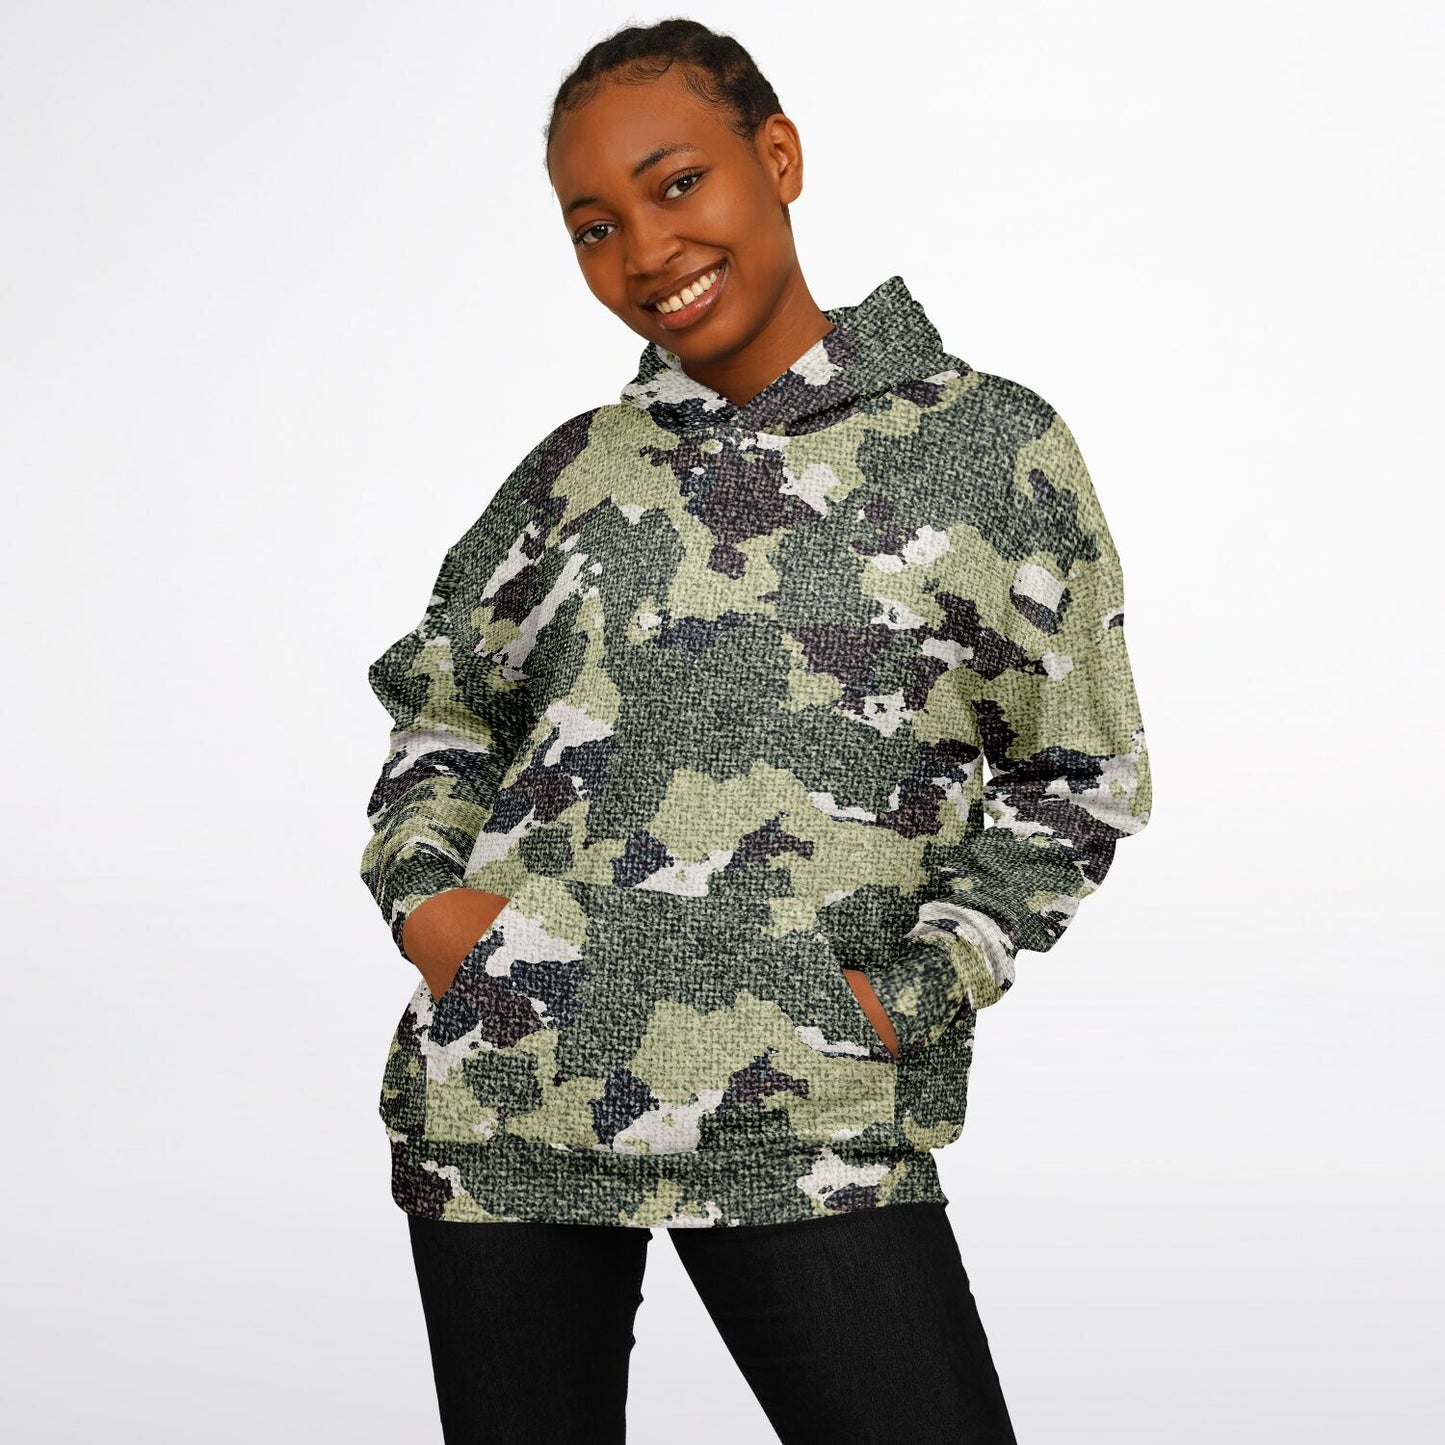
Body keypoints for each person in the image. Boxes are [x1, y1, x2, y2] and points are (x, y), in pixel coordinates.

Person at [358, 17, 1151, 1444]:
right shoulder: (573, 472)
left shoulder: (986, 447)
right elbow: (446, 706)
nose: (645, 250)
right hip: (510, 1099)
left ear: (776, 157)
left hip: (809, 1102)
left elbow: (1077, 776)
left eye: (677, 185)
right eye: (594, 225)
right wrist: (432, 910)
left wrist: (911, 991)